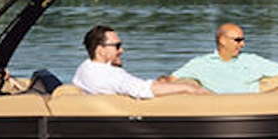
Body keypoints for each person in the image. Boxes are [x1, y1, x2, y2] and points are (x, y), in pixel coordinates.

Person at [164, 22, 278, 94]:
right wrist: (161, 82)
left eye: (243, 40)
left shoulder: (250, 60)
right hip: (218, 107)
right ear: (222, 41)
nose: (242, 44)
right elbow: (170, 79)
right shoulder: (200, 64)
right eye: (238, 40)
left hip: (257, 105)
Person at [72, 26, 210, 97]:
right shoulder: (110, 75)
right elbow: (143, 90)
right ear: (101, 50)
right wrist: (188, 88)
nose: (122, 50)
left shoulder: (84, 69)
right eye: (117, 46)